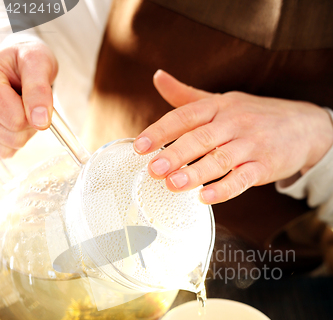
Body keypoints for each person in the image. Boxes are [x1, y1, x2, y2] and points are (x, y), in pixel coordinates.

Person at [0, 0, 333, 269]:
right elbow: (31, 8)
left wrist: (321, 135)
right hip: (93, 212)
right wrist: (14, 40)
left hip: (281, 267)